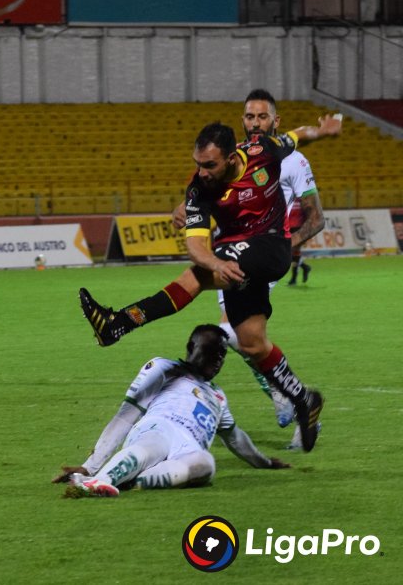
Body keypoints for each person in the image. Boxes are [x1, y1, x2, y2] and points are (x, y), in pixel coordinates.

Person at [79, 123, 325, 452]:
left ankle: (119, 323)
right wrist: (216, 264)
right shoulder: (198, 189)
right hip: (238, 261)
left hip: (273, 246)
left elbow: (293, 138)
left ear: (231, 158)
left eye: (210, 165)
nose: (202, 172)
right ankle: (304, 399)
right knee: (252, 343)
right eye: (198, 164)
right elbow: (195, 246)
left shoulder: (262, 151)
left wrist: (321, 129)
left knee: (195, 278)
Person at [171, 89, 339, 440]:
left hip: (260, 255)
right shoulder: (229, 159)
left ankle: (284, 399)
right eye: (250, 116)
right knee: (244, 339)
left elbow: (316, 219)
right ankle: (295, 400)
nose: (256, 123)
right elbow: (207, 202)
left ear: (276, 121)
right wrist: (184, 211)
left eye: (263, 116)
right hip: (230, 255)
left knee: (232, 332)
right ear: (242, 120)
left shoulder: (293, 161)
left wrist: (279, 247)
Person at [54, 324, 289, 498]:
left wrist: (265, 462)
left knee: (206, 464)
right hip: (159, 428)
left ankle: (132, 482)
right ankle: (98, 480)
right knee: (150, 447)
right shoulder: (164, 368)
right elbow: (126, 417)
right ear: (192, 348)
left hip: (189, 447)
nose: (218, 359)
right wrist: (90, 465)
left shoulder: (218, 396)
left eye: (222, 354)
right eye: (211, 350)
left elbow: (235, 438)